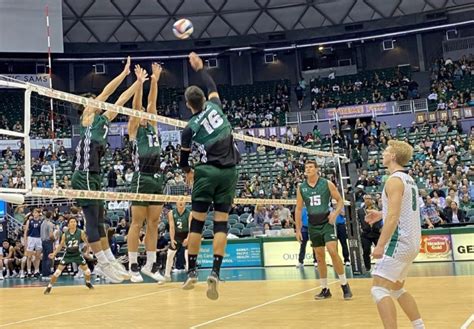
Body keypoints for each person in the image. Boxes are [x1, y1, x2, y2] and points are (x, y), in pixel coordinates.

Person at [71, 58, 146, 283]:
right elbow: (107, 91)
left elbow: (122, 99)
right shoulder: (88, 115)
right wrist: (124, 74)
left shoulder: (104, 118)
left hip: (94, 174)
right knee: (92, 221)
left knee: (102, 221)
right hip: (82, 174)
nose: (98, 101)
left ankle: (110, 261)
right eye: (94, 100)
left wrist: (139, 82)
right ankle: (102, 265)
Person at [179, 52, 240, 300]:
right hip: (230, 173)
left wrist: (188, 171)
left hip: (206, 172)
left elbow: (183, 160)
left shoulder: (189, 128)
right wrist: (200, 68)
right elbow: (213, 85)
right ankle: (215, 272)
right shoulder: (215, 106)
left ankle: (192, 271)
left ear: (188, 105)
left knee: (197, 221)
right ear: (205, 99)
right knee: (221, 222)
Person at [365, 140, 425, 329]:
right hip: (412, 242)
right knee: (397, 289)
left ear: (393, 156)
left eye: (386, 151)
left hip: (399, 242)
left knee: (378, 289)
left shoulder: (394, 180)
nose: (383, 154)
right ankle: (419, 326)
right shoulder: (409, 180)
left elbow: (393, 216)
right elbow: (403, 210)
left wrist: (381, 245)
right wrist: (379, 214)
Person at [127, 63, 165, 283]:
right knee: (137, 223)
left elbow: (152, 104)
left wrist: (155, 81)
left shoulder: (153, 124)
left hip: (157, 178)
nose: (143, 114)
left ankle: (150, 265)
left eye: (144, 113)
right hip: (141, 177)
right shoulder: (134, 128)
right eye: (139, 113)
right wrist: (140, 83)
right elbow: (137, 105)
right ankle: (133, 265)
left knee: (153, 223)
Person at [295, 160, 352, 300]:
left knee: (333, 251)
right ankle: (325, 289)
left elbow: (339, 200)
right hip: (312, 225)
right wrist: (298, 228)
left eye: (310, 167)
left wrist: (335, 213)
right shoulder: (301, 187)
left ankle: (344, 284)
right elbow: (298, 208)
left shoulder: (326, 183)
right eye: (306, 167)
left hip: (327, 222)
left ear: (316, 169)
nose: (308, 169)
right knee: (319, 256)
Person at [44, 217, 93, 294]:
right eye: (71, 222)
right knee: (57, 272)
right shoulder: (65, 234)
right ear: (68, 224)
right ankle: (49, 286)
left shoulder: (81, 232)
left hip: (77, 254)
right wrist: (54, 254)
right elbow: (60, 245)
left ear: (76, 223)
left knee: (87, 272)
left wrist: (87, 251)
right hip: (68, 254)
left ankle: (88, 282)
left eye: (74, 222)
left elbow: (87, 242)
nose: (73, 223)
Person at [163, 201, 191, 282]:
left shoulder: (189, 213)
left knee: (187, 255)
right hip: (177, 235)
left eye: (182, 201)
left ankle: (190, 275)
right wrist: (172, 239)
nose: (181, 202)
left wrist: (188, 238)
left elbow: (190, 228)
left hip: (186, 235)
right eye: (179, 201)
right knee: (170, 255)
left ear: (185, 203)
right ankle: (167, 276)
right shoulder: (171, 213)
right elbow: (171, 227)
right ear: (176, 203)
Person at [357, 194, 382, 271]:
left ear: (372, 200)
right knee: (366, 250)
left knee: (380, 250)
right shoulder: (360, 210)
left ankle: (381, 266)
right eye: (366, 199)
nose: (367, 200)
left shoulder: (378, 209)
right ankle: (367, 267)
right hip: (365, 233)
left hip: (376, 232)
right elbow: (358, 221)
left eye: (369, 198)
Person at [23, 208, 43, 278]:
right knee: (29, 256)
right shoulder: (29, 221)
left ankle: (36, 271)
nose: (35, 214)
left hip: (39, 238)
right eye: (34, 212)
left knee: (38, 256)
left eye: (36, 212)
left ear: (39, 213)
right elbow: (25, 232)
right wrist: (25, 241)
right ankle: (28, 271)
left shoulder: (41, 221)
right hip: (31, 238)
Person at [40, 211, 55, 279]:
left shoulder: (42, 223)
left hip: (43, 241)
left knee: (44, 258)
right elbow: (51, 235)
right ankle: (48, 273)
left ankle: (44, 274)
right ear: (51, 216)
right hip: (48, 241)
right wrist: (54, 239)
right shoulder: (50, 224)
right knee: (49, 257)